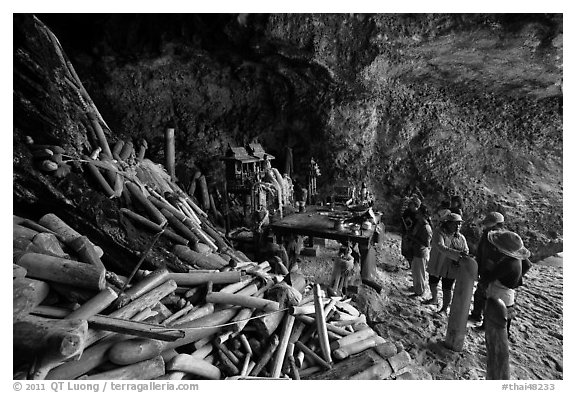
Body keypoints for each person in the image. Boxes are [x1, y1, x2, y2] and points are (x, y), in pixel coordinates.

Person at [482, 230, 532, 341]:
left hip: (499, 293)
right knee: (506, 321)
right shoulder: (517, 258)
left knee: (497, 323)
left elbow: (489, 277)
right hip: (509, 293)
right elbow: (528, 264)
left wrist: (489, 268)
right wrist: (517, 277)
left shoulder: (507, 263)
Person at [422, 213, 469, 314]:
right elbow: (440, 247)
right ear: (447, 223)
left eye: (459, 224)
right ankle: (434, 299)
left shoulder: (461, 238)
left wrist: (463, 254)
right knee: (433, 283)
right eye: (455, 223)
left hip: (451, 267)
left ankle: (444, 308)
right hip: (438, 263)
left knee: (447, 288)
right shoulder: (439, 233)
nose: (457, 226)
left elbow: (466, 250)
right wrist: (458, 254)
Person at [469, 212, 505, 324]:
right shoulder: (487, 235)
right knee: (480, 293)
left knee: (489, 297)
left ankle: (485, 321)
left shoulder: (502, 238)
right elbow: (481, 252)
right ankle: (476, 314)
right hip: (484, 269)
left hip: (493, 273)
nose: (487, 226)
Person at [408, 205, 433, 297]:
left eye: (418, 213)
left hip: (421, 253)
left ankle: (419, 291)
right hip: (417, 251)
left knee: (420, 274)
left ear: (423, 215)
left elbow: (427, 244)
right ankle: (417, 288)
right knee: (416, 271)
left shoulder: (426, 228)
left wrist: (413, 239)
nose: (416, 214)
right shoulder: (420, 224)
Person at [401, 196, 421, 269]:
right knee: (406, 251)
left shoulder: (419, 214)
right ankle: (410, 266)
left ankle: (414, 267)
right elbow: (403, 221)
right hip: (407, 233)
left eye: (411, 204)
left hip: (415, 235)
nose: (410, 205)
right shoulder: (407, 212)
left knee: (414, 251)